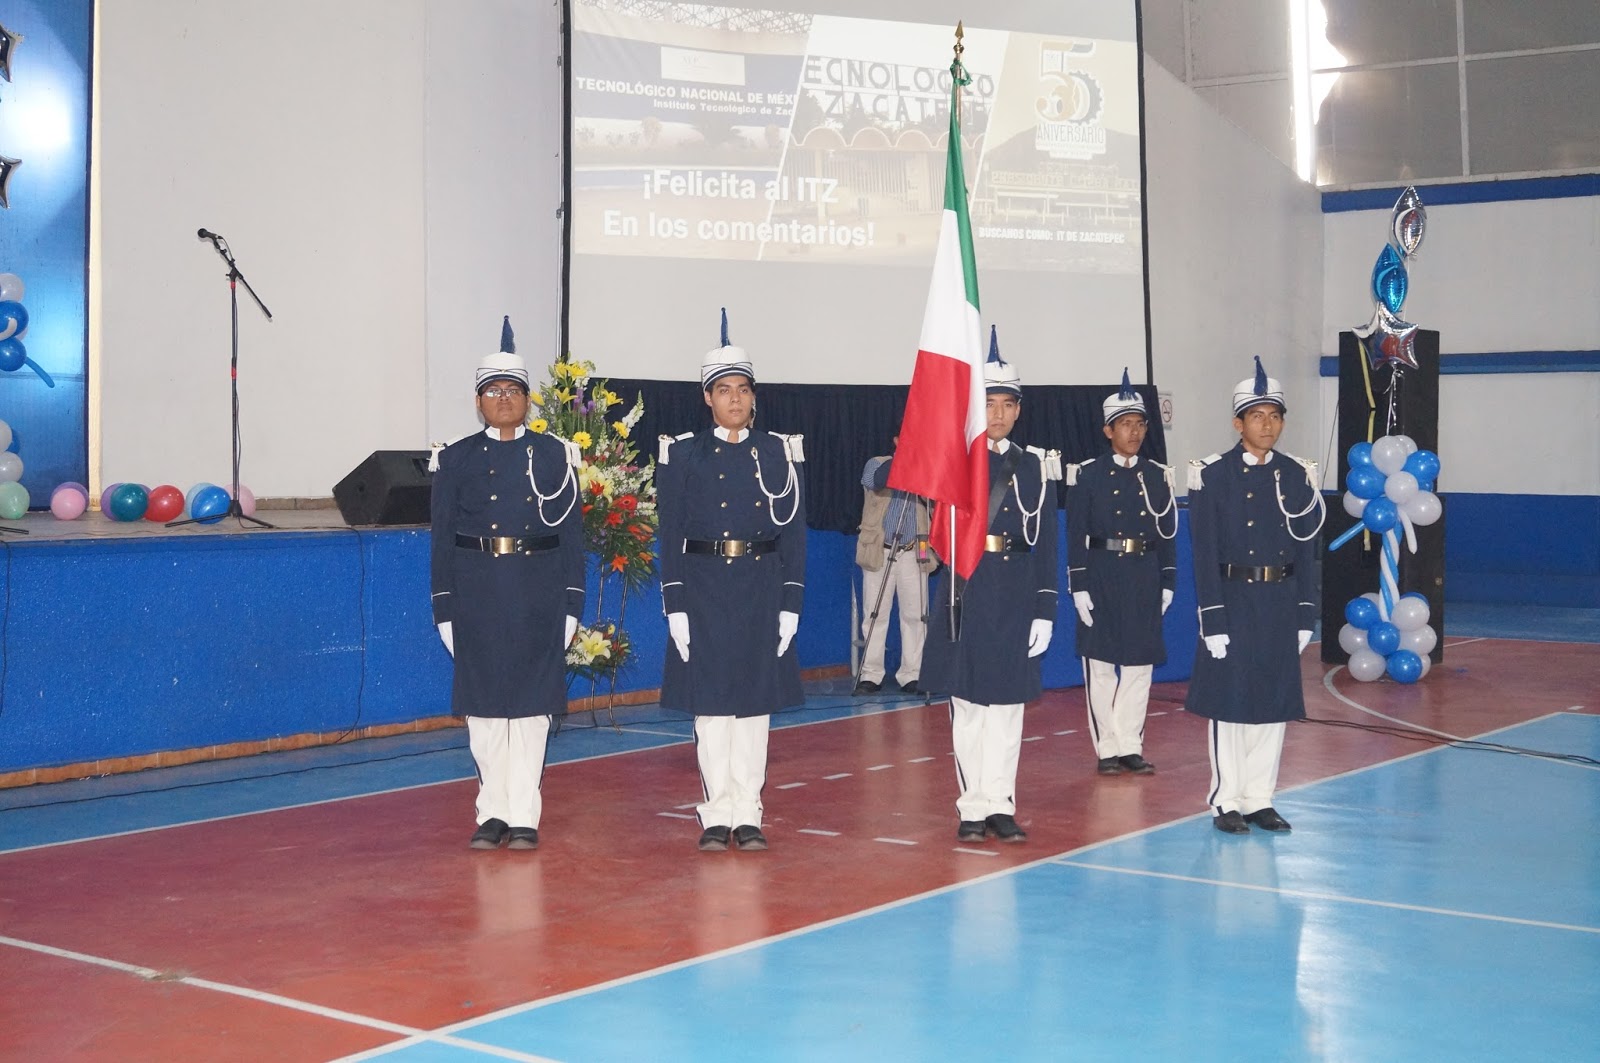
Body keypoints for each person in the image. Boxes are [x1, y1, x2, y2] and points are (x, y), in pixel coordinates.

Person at [430, 318, 584, 851]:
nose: (503, 398)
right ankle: (491, 811)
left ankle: (524, 814)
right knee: (486, 713)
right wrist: (443, 609)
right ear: (478, 401)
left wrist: (572, 606)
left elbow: (571, 535)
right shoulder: (455, 458)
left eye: (513, 390)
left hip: (538, 592)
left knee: (532, 712)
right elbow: (442, 539)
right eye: (493, 391)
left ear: (527, 399)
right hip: (476, 593)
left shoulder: (554, 455)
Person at [656, 309, 806, 853]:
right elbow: (669, 533)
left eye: (743, 389)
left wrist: (791, 604)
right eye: (724, 390)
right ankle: (716, 813)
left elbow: (793, 534)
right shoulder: (682, 454)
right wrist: (675, 605)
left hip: (761, 589)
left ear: (754, 396)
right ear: (707, 398)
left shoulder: (778, 452)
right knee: (712, 711)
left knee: (754, 711)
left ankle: (749, 811)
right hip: (702, 590)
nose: (735, 399)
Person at [920, 329, 1060, 844]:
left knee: (1007, 711)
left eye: (1006, 404)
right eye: (988, 403)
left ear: (1018, 410)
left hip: (1017, 593)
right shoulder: (954, 461)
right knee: (971, 709)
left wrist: (1045, 608)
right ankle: (972, 804)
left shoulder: (1034, 466)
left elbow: (1045, 542)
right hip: (967, 592)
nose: (997, 413)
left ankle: (1002, 802)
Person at [1185, 357, 1325, 834]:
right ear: (1237, 422)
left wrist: (1307, 609)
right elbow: (1203, 553)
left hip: (1279, 601)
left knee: (1272, 702)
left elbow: (1308, 551)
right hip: (1234, 598)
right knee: (1232, 705)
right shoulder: (1212, 475)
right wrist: (1212, 617)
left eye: (1275, 416)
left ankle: (1260, 797)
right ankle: (1226, 799)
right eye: (1258, 416)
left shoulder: (1297, 475)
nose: (1268, 425)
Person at [1066, 370, 1178, 776]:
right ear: (1107, 429)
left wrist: (1167, 580)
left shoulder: (1156, 476)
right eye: (1125, 425)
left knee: (1138, 665)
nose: (1134, 432)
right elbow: (1075, 533)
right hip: (1101, 574)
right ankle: (1106, 747)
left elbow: (1167, 534)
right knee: (1100, 665)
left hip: (1143, 574)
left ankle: (1130, 743)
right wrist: (1078, 584)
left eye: (1140, 424)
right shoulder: (1088, 475)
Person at [855, 437, 935, 696]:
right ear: (896, 439)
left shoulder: (928, 468)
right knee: (874, 614)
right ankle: (871, 674)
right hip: (880, 550)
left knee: (915, 616)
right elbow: (875, 482)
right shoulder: (877, 464)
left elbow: (938, 503)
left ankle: (912, 674)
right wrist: (906, 458)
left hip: (914, 550)